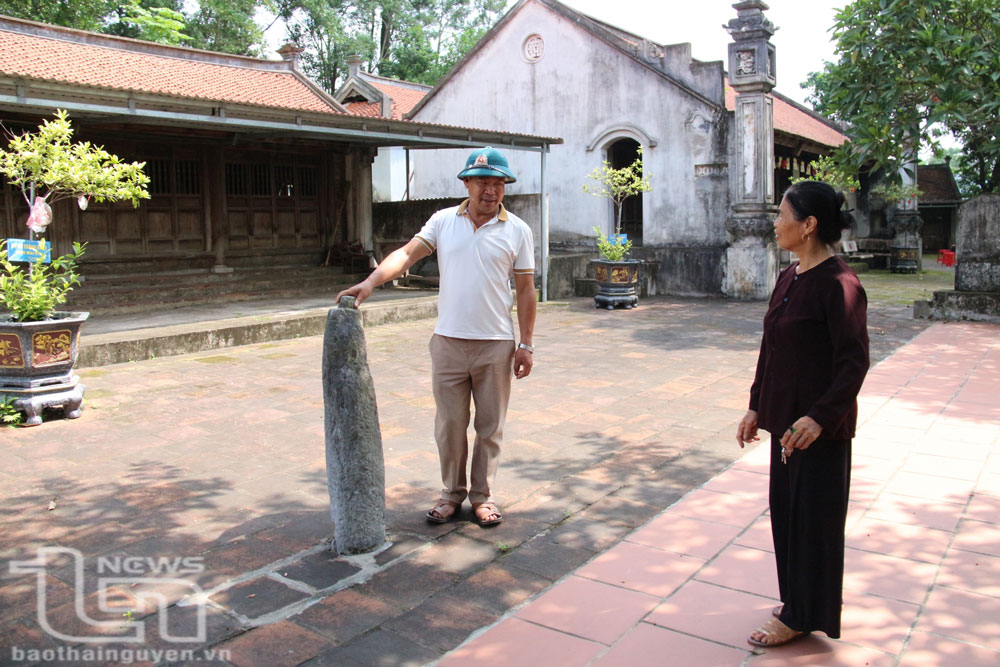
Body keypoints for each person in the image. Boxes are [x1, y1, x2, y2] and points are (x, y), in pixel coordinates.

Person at [336, 147, 536, 528]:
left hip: (495, 344)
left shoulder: (518, 230)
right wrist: (370, 282)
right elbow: (407, 255)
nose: (490, 191)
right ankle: (450, 494)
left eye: (497, 183)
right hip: (448, 342)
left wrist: (525, 343)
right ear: (466, 183)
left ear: (505, 188)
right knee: (449, 425)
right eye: (482, 182)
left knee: (490, 427)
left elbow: (526, 290)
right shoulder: (443, 221)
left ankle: (482, 497)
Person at [736, 180, 869, 647]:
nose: (775, 224)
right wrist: (756, 404)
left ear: (808, 225)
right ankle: (799, 602)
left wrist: (820, 417)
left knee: (814, 524)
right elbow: (770, 347)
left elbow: (853, 362)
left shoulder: (840, 284)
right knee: (788, 518)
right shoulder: (788, 277)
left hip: (818, 432)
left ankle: (802, 614)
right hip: (785, 425)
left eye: (782, 215)